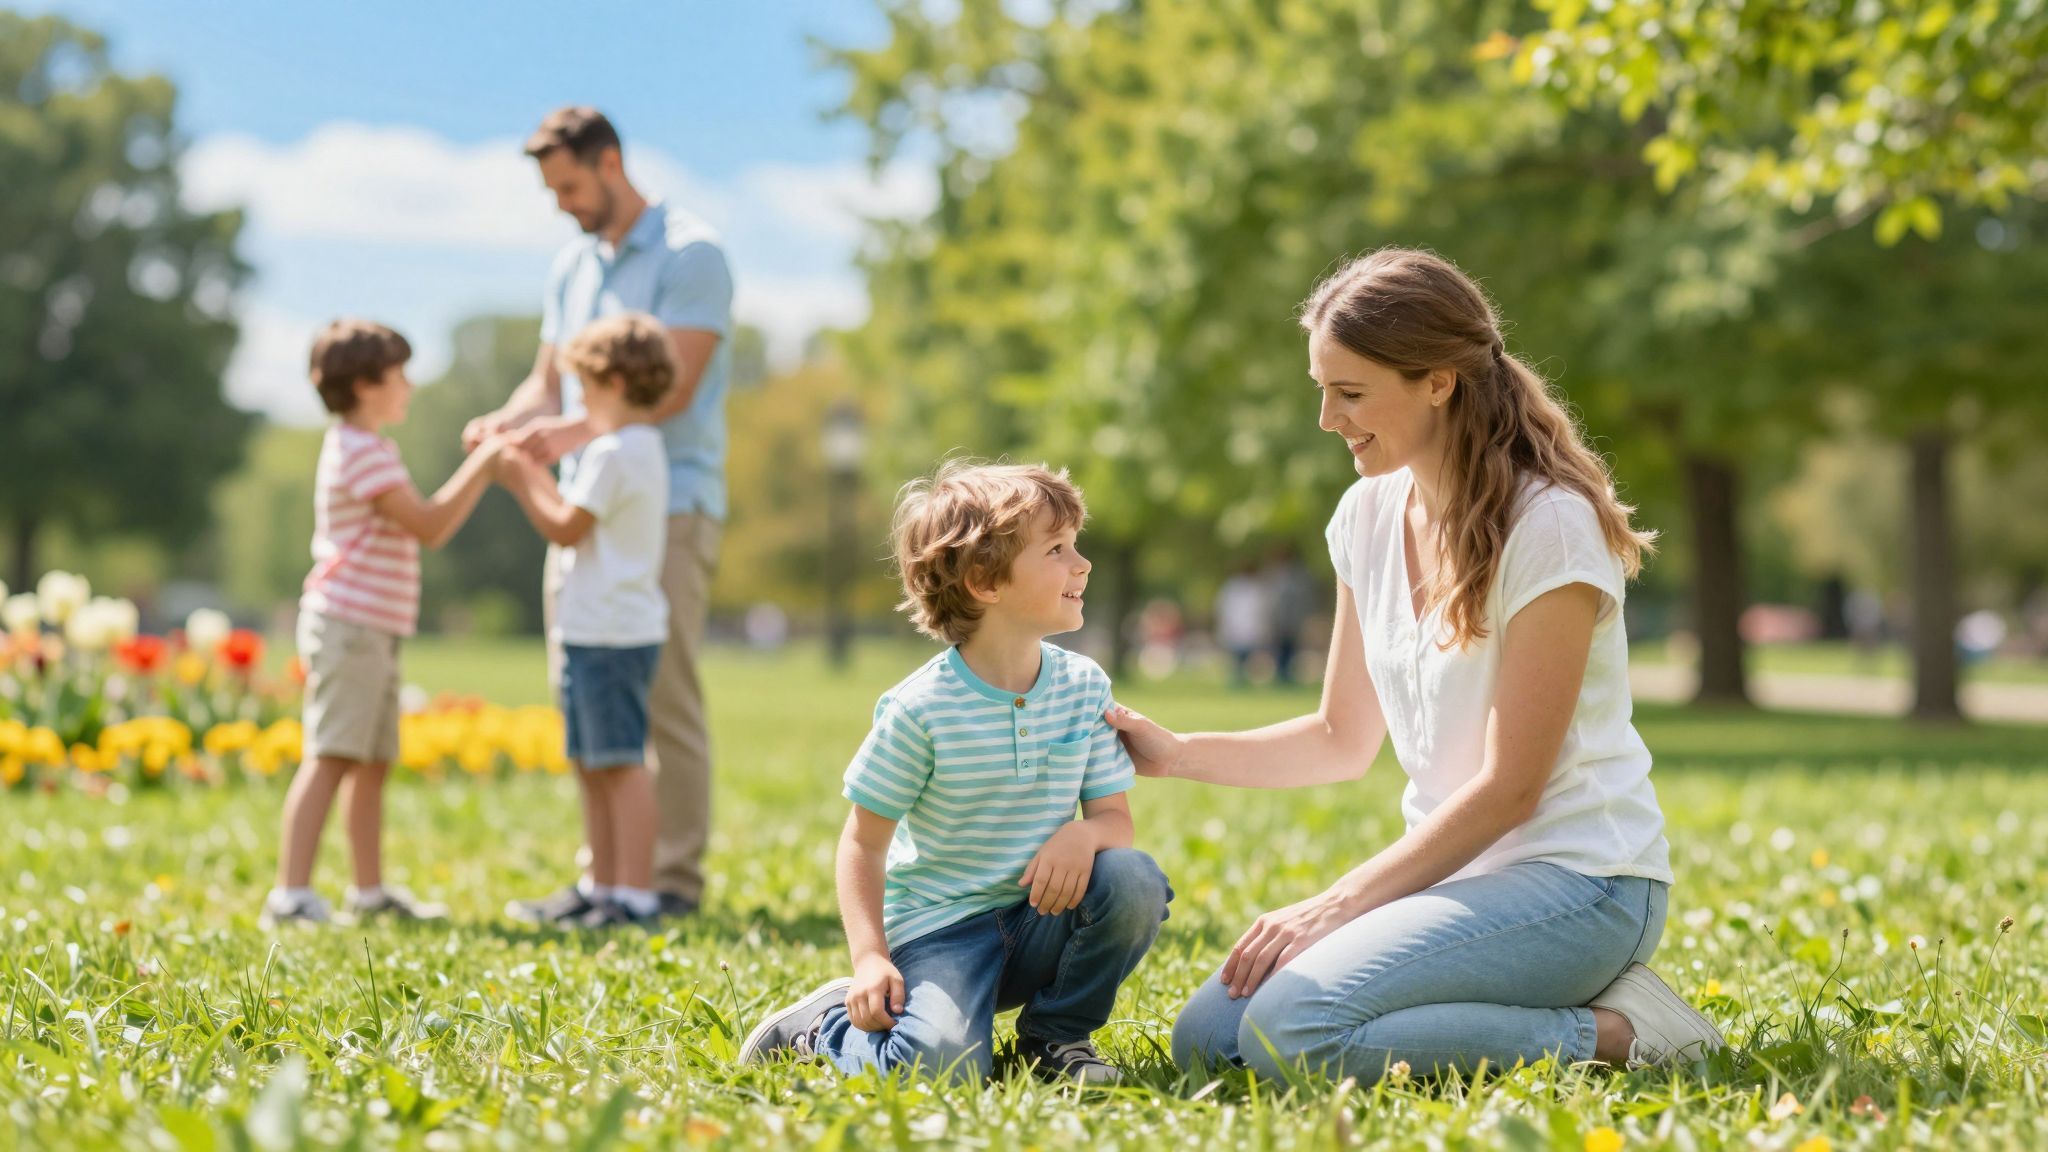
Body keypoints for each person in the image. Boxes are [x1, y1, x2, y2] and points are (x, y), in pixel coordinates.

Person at [1108, 249, 1724, 1082]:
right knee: (1209, 1042)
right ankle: (1498, 1009)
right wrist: (1175, 753)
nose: (1327, 418)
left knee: (1294, 1030)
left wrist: (1337, 905)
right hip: (1456, 881)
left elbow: (1514, 788)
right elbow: (1339, 737)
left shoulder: (1550, 527)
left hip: (1582, 883)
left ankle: (1622, 1031)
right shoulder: (1366, 514)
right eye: (1321, 389)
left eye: (1351, 392)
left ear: (1439, 381)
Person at [740, 463, 1172, 1084]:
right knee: (938, 1070)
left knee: (1131, 879)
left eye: (1076, 545)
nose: (1083, 564)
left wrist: (1084, 835)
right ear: (984, 582)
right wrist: (869, 958)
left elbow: (1114, 823)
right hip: (939, 934)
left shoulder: (1084, 687)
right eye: (1056, 550)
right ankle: (826, 1026)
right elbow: (863, 842)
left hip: (1038, 917)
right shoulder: (921, 709)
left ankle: (1054, 1041)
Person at [465, 107, 734, 924]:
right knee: (585, 694)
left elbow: (669, 391)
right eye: (553, 190)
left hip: (668, 502)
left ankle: (670, 881)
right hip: (584, 495)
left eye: (571, 185)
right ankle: (606, 880)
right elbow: (550, 386)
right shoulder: (572, 267)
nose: (562, 204)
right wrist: (505, 431)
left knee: (664, 695)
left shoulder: (693, 255)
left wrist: (559, 440)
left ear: (610, 162)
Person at [263, 321, 507, 928]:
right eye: (399, 374)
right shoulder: (359, 450)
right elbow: (428, 525)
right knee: (331, 755)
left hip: (371, 629)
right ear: (365, 385)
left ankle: (367, 893)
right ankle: (290, 896)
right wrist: (483, 466)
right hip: (350, 627)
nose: (410, 385)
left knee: (370, 763)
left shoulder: (369, 445)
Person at [494, 313, 675, 927]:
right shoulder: (634, 448)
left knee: (620, 763)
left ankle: (635, 893)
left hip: (611, 631)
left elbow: (566, 527)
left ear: (617, 383)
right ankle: (602, 886)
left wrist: (522, 477)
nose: (580, 402)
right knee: (595, 761)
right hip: (598, 626)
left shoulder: (616, 452)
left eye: (586, 388)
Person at [1214, 563, 1270, 688]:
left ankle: (1242, 679)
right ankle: (1238, 679)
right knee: (1237, 657)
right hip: (1237, 628)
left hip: (1249, 629)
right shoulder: (1232, 587)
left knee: (1246, 657)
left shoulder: (1256, 588)